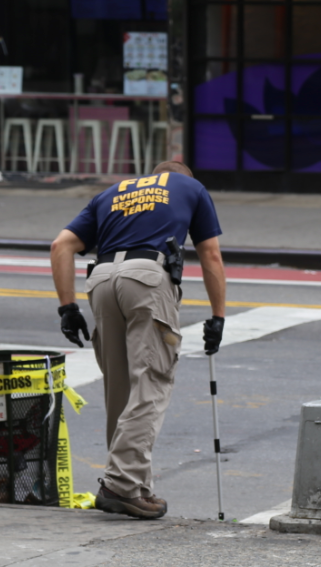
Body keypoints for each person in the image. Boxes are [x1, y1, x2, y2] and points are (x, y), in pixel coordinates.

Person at [50, 160, 227, 519]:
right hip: (146, 277)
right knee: (151, 382)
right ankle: (119, 483)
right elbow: (210, 253)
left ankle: (135, 487)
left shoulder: (110, 193)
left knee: (121, 390)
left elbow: (61, 245)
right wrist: (218, 314)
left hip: (101, 280)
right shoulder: (191, 188)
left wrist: (67, 308)